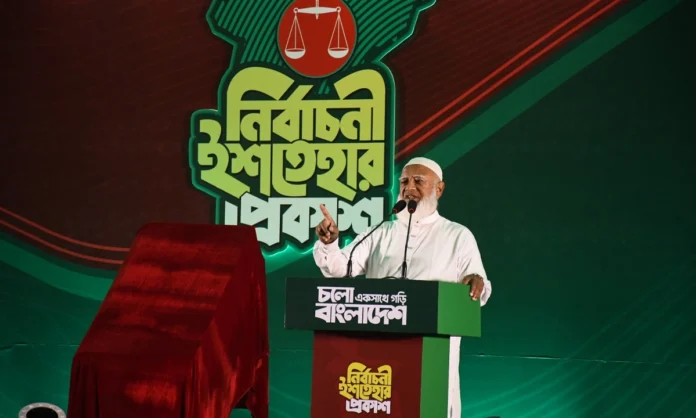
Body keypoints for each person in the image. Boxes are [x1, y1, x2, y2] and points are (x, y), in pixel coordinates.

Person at [312, 156, 491, 418]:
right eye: (404, 181)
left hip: (433, 357)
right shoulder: (380, 231)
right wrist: (330, 244)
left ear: (439, 189)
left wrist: (476, 282)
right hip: (377, 356)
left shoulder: (457, 236)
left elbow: (478, 288)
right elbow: (339, 269)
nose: (409, 188)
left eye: (418, 181)